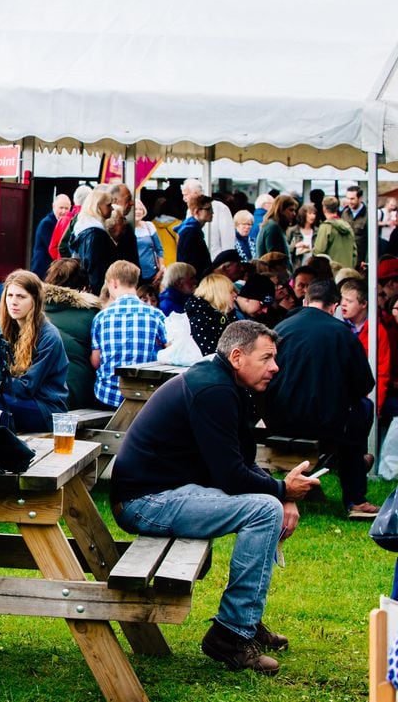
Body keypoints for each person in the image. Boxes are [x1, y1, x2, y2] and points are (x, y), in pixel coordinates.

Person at [111, 320, 318, 675]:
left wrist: (284, 493)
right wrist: (283, 491)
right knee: (265, 510)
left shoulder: (222, 381)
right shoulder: (214, 390)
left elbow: (238, 462)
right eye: (267, 358)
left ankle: (244, 623)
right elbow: (231, 476)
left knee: (267, 504)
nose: (275, 367)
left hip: (166, 492)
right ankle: (231, 635)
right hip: (146, 502)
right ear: (237, 356)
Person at [264, 280, 376, 518]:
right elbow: (364, 384)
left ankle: (340, 464)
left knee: (354, 414)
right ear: (334, 306)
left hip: (278, 420)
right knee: (363, 408)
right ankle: (355, 498)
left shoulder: (281, 328)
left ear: (305, 301)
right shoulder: (342, 334)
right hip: (326, 424)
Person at [0, 270, 69, 432]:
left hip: (46, 408)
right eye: (10, 295)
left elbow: (27, 387)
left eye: (21, 297)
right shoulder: (5, 330)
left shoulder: (48, 336)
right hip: (18, 400)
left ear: (34, 300)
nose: (13, 302)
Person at [90, 260, 166, 410]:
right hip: (145, 396)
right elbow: (170, 349)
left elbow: (96, 362)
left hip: (107, 396)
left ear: (114, 283)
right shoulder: (156, 314)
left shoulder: (101, 317)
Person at [43, 259, 101, 409]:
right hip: (79, 395)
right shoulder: (94, 315)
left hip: (41, 393)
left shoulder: (32, 309)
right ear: (84, 286)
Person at [339, 277, 389, 412]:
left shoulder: (377, 331)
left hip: (364, 400)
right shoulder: (336, 327)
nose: (343, 304)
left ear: (363, 304)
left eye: (349, 301)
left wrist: (375, 408)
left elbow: (382, 372)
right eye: (342, 299)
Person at [70, 189, 116, 294]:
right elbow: (95, 268)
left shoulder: (83, 227)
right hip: (97, 290)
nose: (112, 208)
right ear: (97, 206)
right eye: (108, 205)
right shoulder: (95, 233)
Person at [185, 273, 236, 356]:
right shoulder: (201, 318)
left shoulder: (226, 315)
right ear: (219, 294)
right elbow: (209, 354)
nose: (235, 295)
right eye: (231, 292)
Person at [31, 194, 72, 278]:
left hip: (52, 268)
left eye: (66, 208)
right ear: (53, 206)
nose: (64, 211)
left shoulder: (64, 222)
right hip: (43, 268)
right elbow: (52, 248)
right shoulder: (47, 223)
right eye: (61, 208)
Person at [313, 196, 357, 270]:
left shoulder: (326, 227)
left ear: (324, 208)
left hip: (331, 272)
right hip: (348, 271)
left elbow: (319, 252)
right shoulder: (347, 226)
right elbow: (354, 252)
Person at [176, 194, 214, 278]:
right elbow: (189, 262)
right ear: (197, 211)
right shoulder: (190, 232)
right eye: (208, 209)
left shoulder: (191, 230)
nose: (212, 212)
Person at [132, 199, 164, 284]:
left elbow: (159, 249)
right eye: (135, 209)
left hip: (151, 274)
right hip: (133, 275)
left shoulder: (149, 226)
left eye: (140, 209)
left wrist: (161, 269)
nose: (138, 211)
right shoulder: (127, 228)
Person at [342, 185, 368, 265]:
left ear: (360, 198)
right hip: (346, 258)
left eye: (352, 199)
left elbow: (372, 240)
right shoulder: (344, 213)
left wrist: (367, 261)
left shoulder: (369, 214)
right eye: (348, 198)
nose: (349, 201)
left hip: (361, 260)